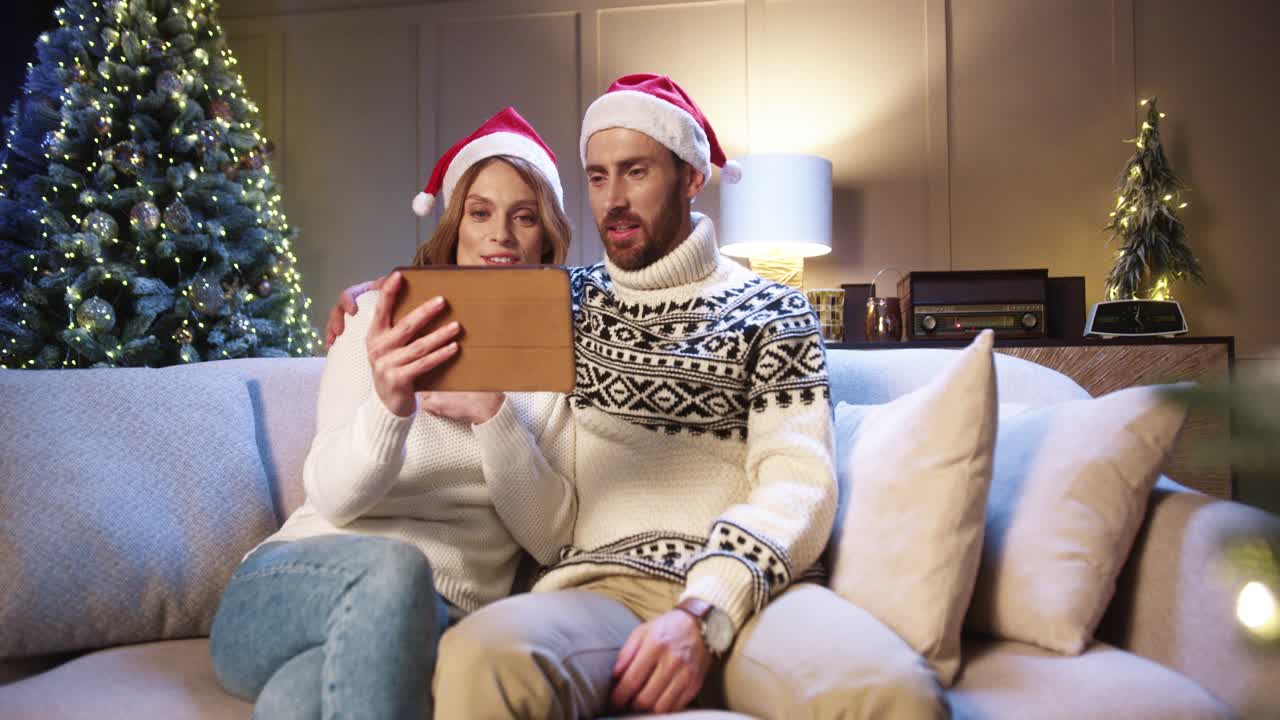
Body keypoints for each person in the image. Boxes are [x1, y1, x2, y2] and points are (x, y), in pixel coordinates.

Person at [330, 75, 948, 719]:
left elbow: (799, 483)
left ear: (690, 177)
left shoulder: (773, 310)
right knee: (482, 658)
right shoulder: (566, 301)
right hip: (601, 593)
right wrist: (371, 296)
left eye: (636, 172)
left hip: (754, 596)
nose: (614, 200)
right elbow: (464, 282)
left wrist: (702, 612)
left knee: (897, 695)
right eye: (597, 177)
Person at [208, 107, 576, 720]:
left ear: (547, 234)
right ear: (455, 225)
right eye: (480, 212)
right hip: (289, 586)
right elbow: (331, 497)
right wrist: (389, 407)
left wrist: (494, 415)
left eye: (524, 216)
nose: (500, 236)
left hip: (440, 622)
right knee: (395, 569)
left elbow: (551, 536)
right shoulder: (380, 317)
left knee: (298, 702)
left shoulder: (558, 357)